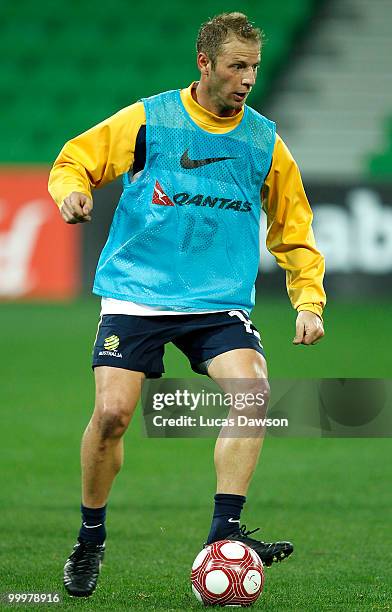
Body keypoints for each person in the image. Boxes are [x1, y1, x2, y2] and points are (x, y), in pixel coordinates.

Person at [48, 11, 325, 598]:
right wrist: (71, 192)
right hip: (138, 291)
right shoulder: (152, 119)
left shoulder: (262, 140)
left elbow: (293, 225)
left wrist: (309, 299)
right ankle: (90, 536)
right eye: (236, 66)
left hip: (216, 299)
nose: (248, 78)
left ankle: (224, 535)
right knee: (113, 416)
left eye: (254, 66)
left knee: (252, 393)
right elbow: (76, 157)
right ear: (205, 64)